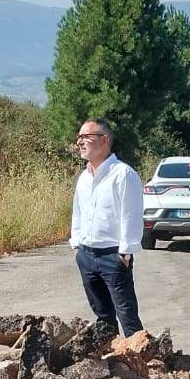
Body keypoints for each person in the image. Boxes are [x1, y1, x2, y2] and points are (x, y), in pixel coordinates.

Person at [69, 118, 144, 336]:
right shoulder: (84, 177)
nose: (80, 142)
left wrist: (125, 254)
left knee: (127, 317)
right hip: (86, 255)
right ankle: (111, 355)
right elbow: (78, 213)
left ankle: (141, 355)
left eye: (86, 137)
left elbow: (131, 214)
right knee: (103, 318)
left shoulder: (123, 174)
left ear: (104, 140)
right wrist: (77, 247)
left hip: (113, 257)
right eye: (79, 137)